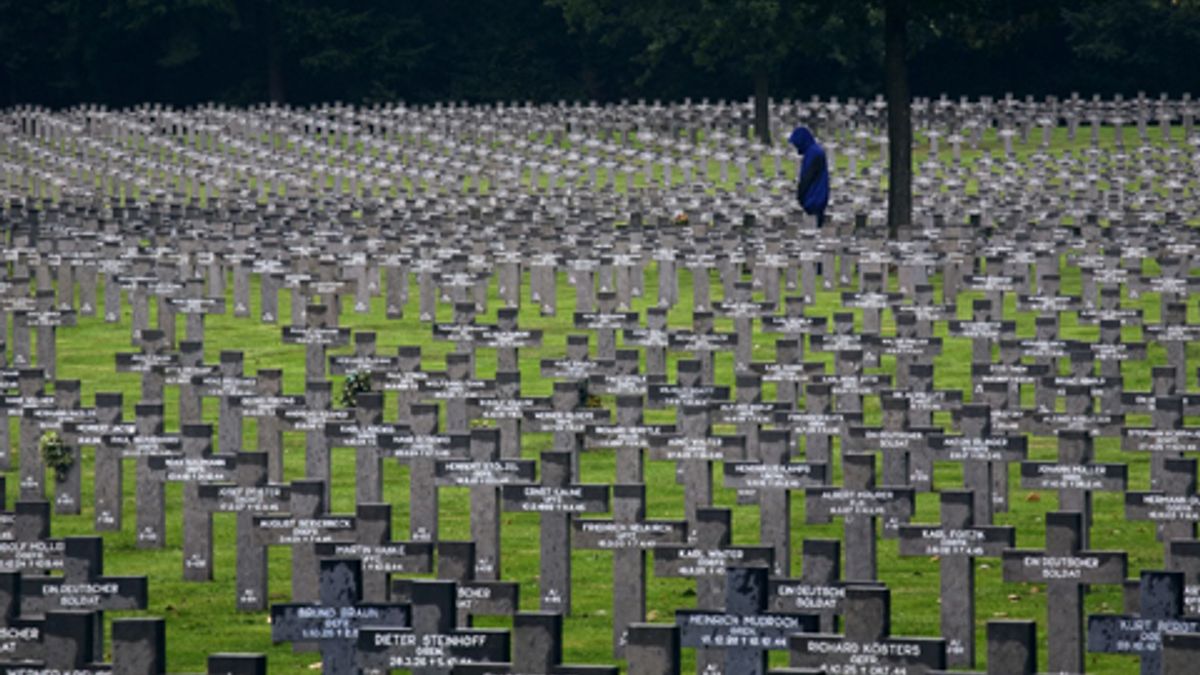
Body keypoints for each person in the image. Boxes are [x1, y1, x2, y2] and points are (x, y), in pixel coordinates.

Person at [788, 126, 829, 227]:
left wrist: (800, 194)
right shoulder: (813, 151)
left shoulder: (814, 153)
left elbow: (808, 176)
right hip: (817, 194)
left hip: (814, 196)